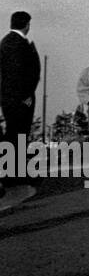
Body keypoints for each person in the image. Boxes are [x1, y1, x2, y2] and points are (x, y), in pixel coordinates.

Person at [1, 11, 41, 199]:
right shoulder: (17, 44)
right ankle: (15, 175)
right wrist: (25, 96)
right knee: (18, 135)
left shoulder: (6, 42)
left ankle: (13, 173)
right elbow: (18, 73)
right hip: (19, 99)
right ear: (26, 24)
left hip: (9, 98)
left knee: (14, 134)